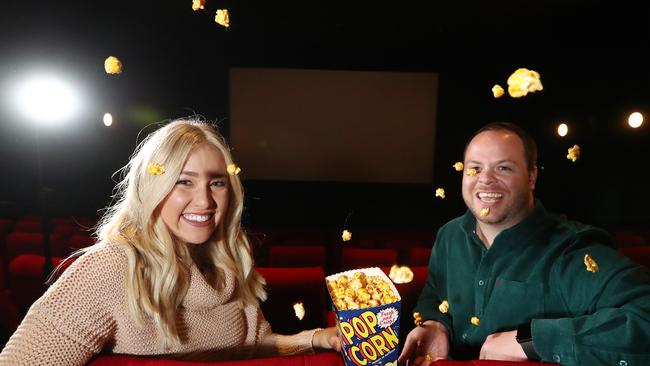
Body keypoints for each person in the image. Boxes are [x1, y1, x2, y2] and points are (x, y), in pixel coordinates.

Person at [0, 118, 339, 365]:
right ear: (152, 188)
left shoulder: (227, 267)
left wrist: (315, 338)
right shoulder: (109, 268)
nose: (205, 201)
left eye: (216, 182)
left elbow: (247, 348)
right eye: (183, 182)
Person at [398, 122, 650, 366]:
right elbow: (434, 293)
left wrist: (533, 341)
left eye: (503, 168)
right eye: (475, 168)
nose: (485, 179)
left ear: (531, 176)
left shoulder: (571, 250)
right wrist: (434, 324)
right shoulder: (449, 235)